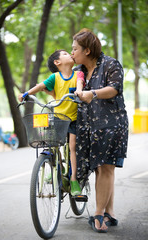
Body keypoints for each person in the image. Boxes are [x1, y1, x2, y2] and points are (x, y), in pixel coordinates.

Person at [71, 28, 128, 233]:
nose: (72, 53)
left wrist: (92, 93)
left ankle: (97, 214)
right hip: (90, 125)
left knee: (105, 167)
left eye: (74, 49)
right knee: (101, 168)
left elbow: (115, 88)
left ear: (87, 50)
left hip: (112, 124)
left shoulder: (111, 64)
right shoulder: (81, 70)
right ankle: (109, 213)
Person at [18, 49, 85, 196]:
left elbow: (80, 84)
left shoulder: (78, 74)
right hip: (58, 117)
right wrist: (26, 94)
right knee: (53, 144)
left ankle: (74, 180)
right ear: (57, 62)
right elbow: (41, 85)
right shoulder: (54, 77)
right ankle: (58, 169)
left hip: (73, 118)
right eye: (66, 53)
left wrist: (79, 91)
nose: (71, 54)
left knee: (72, 147)